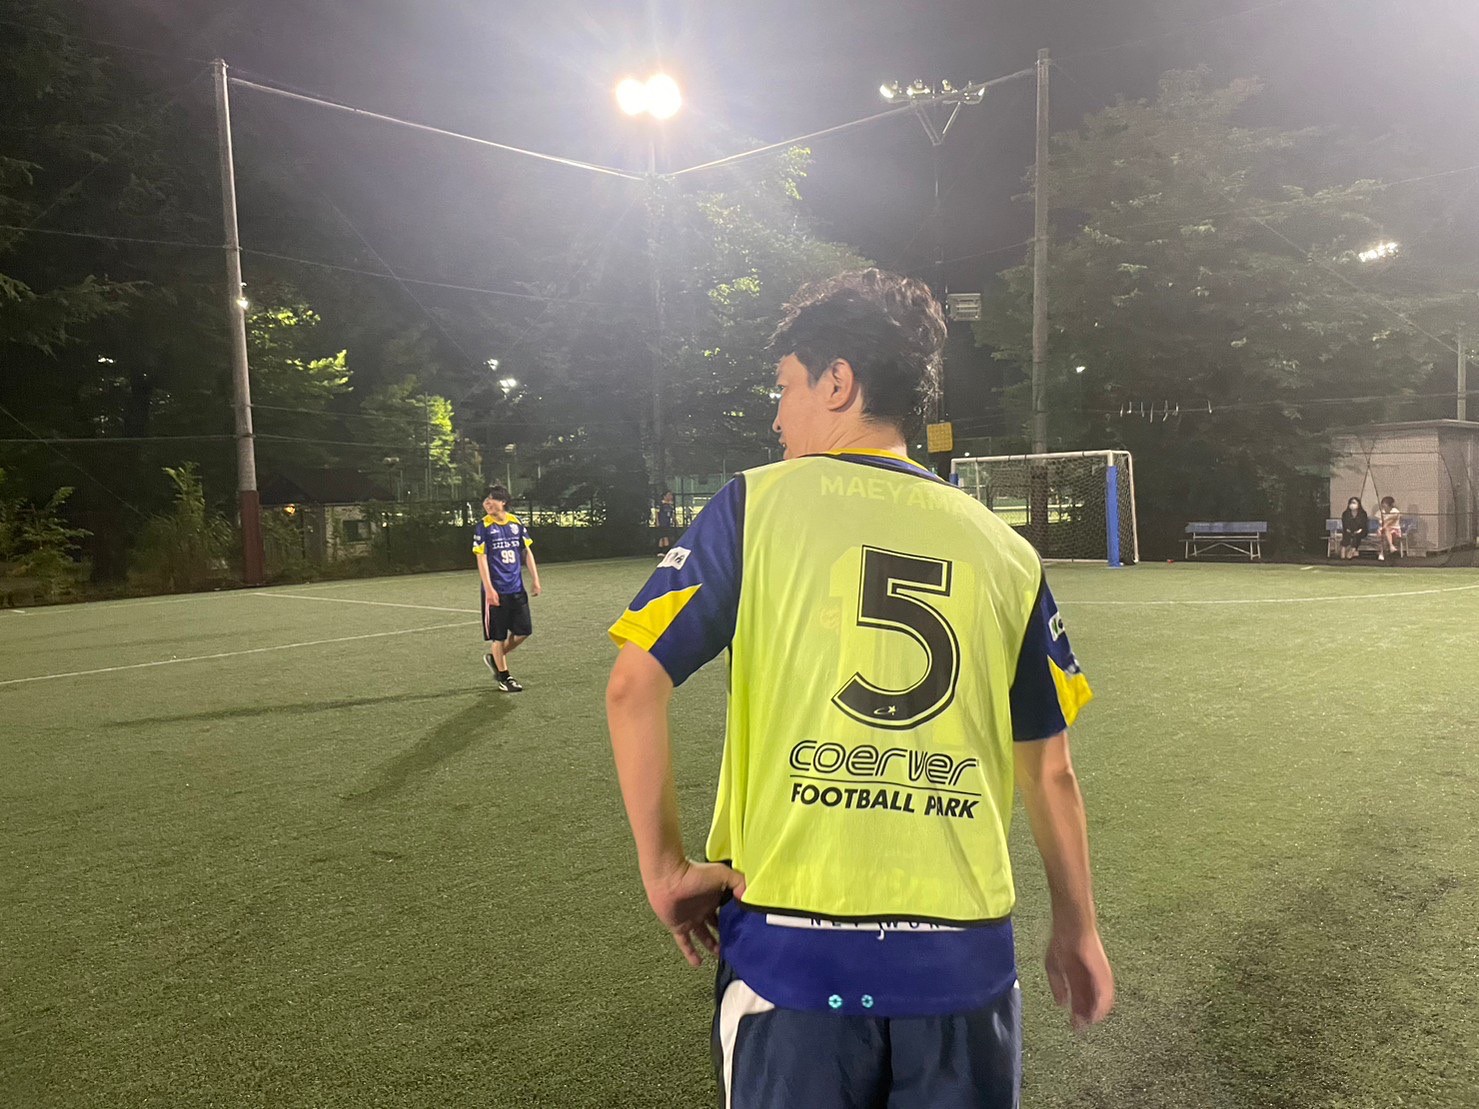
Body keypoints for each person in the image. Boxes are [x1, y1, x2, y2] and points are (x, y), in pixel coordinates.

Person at [605, 269, 1113, 1108]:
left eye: (785, 388)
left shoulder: (755, 505)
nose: (777, 417)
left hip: (792, 953)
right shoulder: (1006, 551)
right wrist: (1078, 925)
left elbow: (633, 684)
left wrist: (664, 870)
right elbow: (1049, 768)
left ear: (837, 381)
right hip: (960, 965)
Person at [473, 484, 541, 692]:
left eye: (491, 499)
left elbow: (526, 551)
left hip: (516, 588)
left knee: (523, 631)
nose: (487, 503)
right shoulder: (483, 526)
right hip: (497, 590)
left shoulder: (516, 522)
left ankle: (495, 657)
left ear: (503, 502)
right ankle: (505, 677)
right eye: (485, 500)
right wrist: (489, 589)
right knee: (499, 636)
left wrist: (535, 579)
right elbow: (481, 558)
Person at [1376, 495, 1402, 561]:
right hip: (1383, 529)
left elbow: (1389, 522)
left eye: (1385, 504)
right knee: (1384, 532)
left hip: (1395, 529)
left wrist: (1385, 525)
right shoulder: (1381, 512)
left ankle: (1383, 552)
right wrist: (1382, 527)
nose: (1383, 506)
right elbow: (1380, 522)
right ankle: (1391, 547)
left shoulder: (1395, 511)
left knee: (1386, 530)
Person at [656, 490, 678, 557]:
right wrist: (657, 521)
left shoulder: (670, 505)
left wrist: (675, 520)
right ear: (664, 496)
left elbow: (672, 514)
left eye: (671, 495)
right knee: (663, 537)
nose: (670, 496)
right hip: (662, 523)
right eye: (668, 495)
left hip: (667, 523)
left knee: (665, 536)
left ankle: (663, 551)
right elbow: (657, 513)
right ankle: (663, 551)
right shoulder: (661, 504)